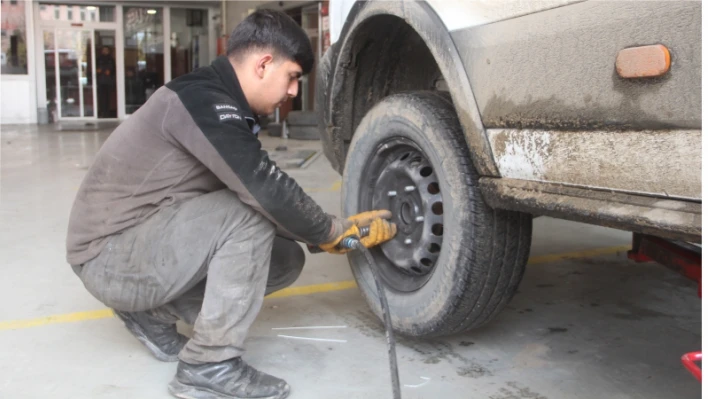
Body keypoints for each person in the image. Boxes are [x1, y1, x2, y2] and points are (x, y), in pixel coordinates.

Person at [65, 10, 396, 399]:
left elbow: (260, 188)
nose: (293, 91)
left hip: (134, 246)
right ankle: (209, 364)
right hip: (108, 255)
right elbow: (264, 189)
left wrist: (318, 233)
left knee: (283, 259)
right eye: (292, 77)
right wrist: (332, 231)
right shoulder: (202, 101)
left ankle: (151, 313)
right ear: (264, 64)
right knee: (247, 214)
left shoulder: (219, 100)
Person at [95, 46, 116, 118]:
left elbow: (114, 70)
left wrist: (109, 72)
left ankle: (107, 112)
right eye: (104, 50)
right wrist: (98, 71)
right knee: (101, 97)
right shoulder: (98, 59)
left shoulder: (111, 59)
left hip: (108, 81)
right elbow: (96, 69)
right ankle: (102, 111)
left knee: (108, 97)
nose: (105, 51)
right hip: (100, 81)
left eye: (106, 50)